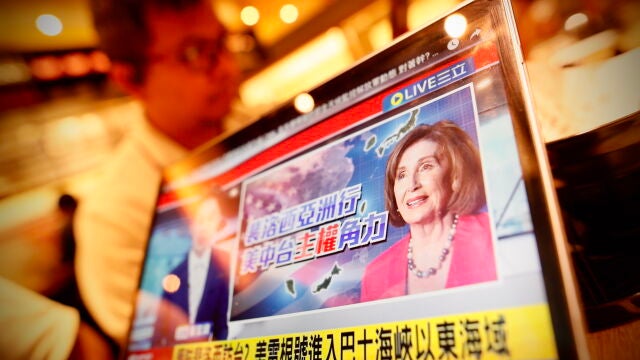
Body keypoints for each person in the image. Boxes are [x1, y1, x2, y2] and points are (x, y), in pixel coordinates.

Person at [74, 0, 250, 351]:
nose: (227, 67)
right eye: (194, 53)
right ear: (130, 79)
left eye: (222, 43)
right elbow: (165, 349)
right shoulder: (114, 218)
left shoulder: (256, 123)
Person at [361, 120, 497, 302]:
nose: (411, 185)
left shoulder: (492, 235)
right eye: (401, 175)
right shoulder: (375, 273)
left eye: (426, 167)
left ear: (455, 176)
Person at [152, 189, 236, 346]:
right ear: (191, 223)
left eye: (210, 218)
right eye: (199, 219)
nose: (204, 226)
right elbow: (159, 332)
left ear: (218, 223)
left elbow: (223, 326)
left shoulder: (227, 268)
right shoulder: (174, 276)